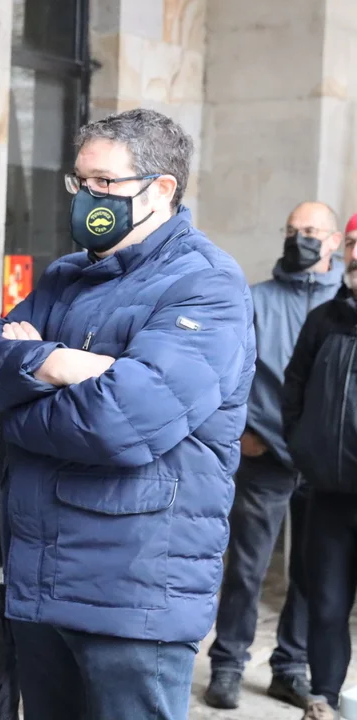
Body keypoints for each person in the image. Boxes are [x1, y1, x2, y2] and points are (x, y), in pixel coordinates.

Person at [0, 108, 255, 720]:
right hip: (41, 584)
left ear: (162, 188)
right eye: (80, 181)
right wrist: (62, 362)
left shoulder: (207, 284)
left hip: (134, 599)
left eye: (105, 182)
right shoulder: (65, 277)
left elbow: (122, 420)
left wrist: (19, 405)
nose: (87, 196)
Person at [205, 202, 343, 710]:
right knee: (247, 568)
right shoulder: (257, 299)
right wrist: (241, 430)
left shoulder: (345, 305)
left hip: (324, 465)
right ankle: (228, 664)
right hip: (264, 456)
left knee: (311, 573)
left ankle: (290, 667)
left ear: (333, 242)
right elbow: (226, 371)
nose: (298, 238)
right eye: (291, 229)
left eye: (310, 230)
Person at [282, 213, 357, 720]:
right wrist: (302, 447)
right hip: (327, 495)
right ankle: (324, 700)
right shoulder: (324, 320)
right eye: (352, 243)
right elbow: (294, 388)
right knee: (326, 605)